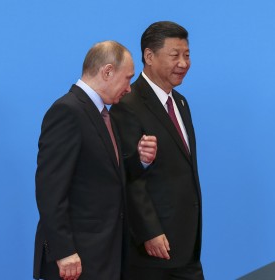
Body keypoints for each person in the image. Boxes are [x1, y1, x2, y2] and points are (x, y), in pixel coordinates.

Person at [33, 40, 157, 280]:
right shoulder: (67, 111)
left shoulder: (103, 114)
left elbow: (104, 176)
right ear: (108, 71)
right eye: (127, 78)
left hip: (104, 256)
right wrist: (64, 251)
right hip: (77, 260)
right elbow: (50, 189)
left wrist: (139, 160)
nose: (129, 88)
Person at [111, 21, 204, 279]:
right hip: (152, 251)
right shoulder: (127, 104)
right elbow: (128, 176)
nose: (184, 63)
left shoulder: (181, 103)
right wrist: (149, 231)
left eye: (187, 55)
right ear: (148, 56)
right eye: (175, 55)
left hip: (187, 246)